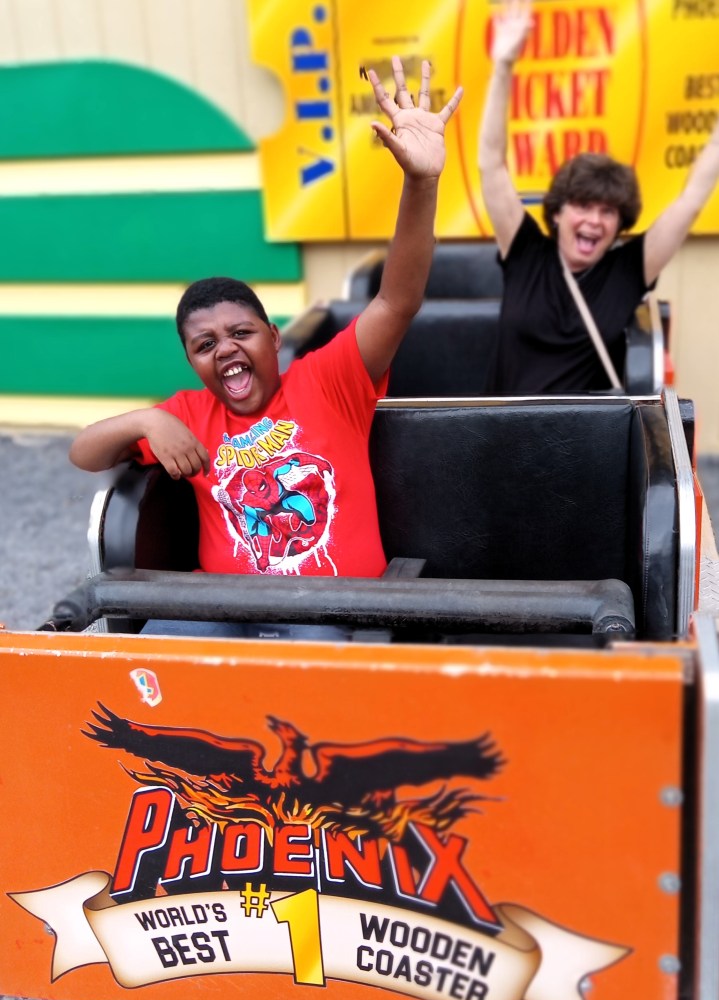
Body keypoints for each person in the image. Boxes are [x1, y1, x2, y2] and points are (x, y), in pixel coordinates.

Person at [69, 57, 462, 638]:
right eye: (205, 344)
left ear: (274, 338)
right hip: (227, 612)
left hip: (333, 615)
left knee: (311, 652)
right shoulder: (188, 415)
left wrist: (422, 184)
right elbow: (84, 453)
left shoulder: (329, 379)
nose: (225, 349)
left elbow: (397, 300)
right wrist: (147, 420)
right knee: (153, 650)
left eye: (241, 333)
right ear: (192, 362)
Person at [479, 0, 719, 394]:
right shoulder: (525, 252)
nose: (594, 220)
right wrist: (503, 65)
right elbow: (491, 163)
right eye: (583, 206)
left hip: (583, 432)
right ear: (557, 213)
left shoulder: (628, 270)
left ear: (619, 223)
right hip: (504, 428)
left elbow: (691, 200)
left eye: (608, 211)